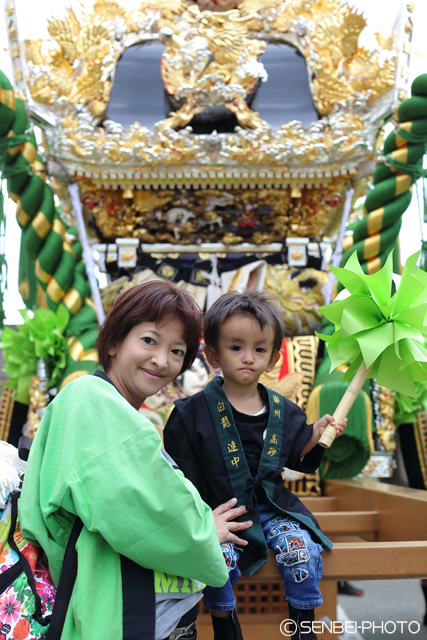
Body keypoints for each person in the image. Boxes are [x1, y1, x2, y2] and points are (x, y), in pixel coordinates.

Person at [20, 281, 252, 640]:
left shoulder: (99, 402)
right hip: (118, 606)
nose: (162, 360)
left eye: (177, 351)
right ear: (114, 342)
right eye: (149, 341)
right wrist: (205, 531)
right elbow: (143, 510)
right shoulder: (92, 400)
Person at [164, 291, 347, 640]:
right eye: (236, 347)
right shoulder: (190, 414)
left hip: (272, 510)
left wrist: (317, 433)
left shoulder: (285, 410)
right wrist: (199, 518)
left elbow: (297, 456)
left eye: (259, 349)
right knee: (217, 558)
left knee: (301, 549)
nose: (248, 358)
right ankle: (224, 624)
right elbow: (179, 476)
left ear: (274, 356)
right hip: (220, 512)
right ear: (213, 355)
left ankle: (303, 624)